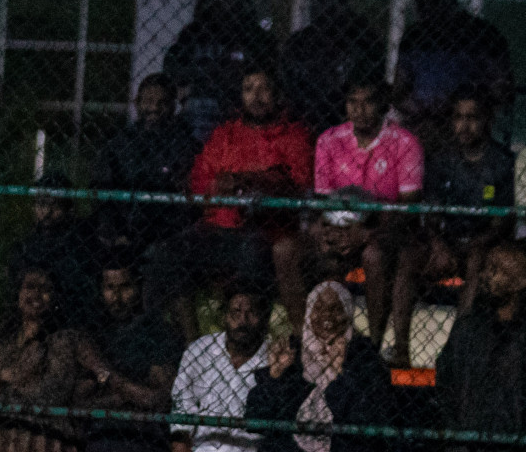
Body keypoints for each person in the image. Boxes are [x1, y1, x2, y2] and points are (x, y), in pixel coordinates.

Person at [145, 68, 312, 339]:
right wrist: (217, 186)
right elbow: (200, 180)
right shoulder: (225, 134)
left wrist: (255, 181)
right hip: (217, 226)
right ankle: (189, 343)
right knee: (166, 253)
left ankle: (245, 338)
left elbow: (299, 182)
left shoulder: (293, 135)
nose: (256, 96)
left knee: (252, 251)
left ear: (278, 95)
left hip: (266, 230)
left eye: (263, 88)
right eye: (248, 88)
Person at [313, 78, 424, 361]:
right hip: (339, 225)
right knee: (308, 249)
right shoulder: (329, 140)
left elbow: (407, 207)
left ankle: (373, 346)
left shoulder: (405, 143)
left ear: (383, 106)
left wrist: (365, 234)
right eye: (353, 101)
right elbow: (323, 200)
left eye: (368, 101)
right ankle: (319, 344)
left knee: (374, 256)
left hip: (384, 230)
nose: (360, 109)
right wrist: (334, 231)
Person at [245, 281, 395, 452]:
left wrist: (340, 373)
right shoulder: (292, 351)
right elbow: (255, 420)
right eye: (319, 308)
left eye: (336, 309)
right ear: (308, 313)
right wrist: (275, 375)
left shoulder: (365, 357)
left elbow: (368, 423)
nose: (327, 315)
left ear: (348, 312)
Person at [0, 266, 96, 452]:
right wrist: (5, 376)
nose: (36, 294)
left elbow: (53, 393)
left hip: (44, 441)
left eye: (45, 289)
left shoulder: (65, 341)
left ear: (55, 298)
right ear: (17, 293)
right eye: (30, 287)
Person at [394, 0, 514, 150]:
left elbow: (501, 93)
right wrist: (423, 116)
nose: (421, 8)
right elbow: (399, 92)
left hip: (470, 132)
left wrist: (459, 114)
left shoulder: (484, 36)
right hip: (422, 130)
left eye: (430, 0)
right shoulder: (413, 37)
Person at [436, 241, 526, 452]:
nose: (486, 276)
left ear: (520, 282)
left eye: (497, 270)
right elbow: (446, 379)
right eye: (486, 268)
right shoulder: (469, 328)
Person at [82, 258, 183, 452]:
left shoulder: (157, 333)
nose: (117, 297)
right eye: (110, 288)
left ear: (138, 287)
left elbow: (158, 398)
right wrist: (132, 392)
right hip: (99, 435)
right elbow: (79, 400)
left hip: (145, 438)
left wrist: (108, 381)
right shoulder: (92, 334)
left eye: (125, 287)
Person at [426, 85, 515, 314]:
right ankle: (398, 347)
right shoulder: (442, 160)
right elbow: (432, 214)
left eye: (472, 118)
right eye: (459, 117)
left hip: (482, 244)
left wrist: (473, 244)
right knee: (408, 259)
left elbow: (501, 224)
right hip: (447, 241)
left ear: (486, 120)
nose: (464, 126)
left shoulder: (502, 162)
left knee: (476, 261)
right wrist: (439, 245)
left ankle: (462, 334)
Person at [162, 0, 277, 142]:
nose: (225, 0)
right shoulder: (194, 33)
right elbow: (173, 68)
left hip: (241, 118)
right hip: (197, 119)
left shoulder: (256, 37)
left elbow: (268, 76)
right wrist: (204, 73)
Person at [91, 74, 199, 256]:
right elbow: (102, 191)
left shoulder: (186, 146)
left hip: (165, 234)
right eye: (148, 101)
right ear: (137, 103)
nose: (154, 108)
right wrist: (113, 230)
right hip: (122, 228)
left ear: (173, 106)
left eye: (162, 103)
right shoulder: (119, 144)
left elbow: (186, 205)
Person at [170, 282, 271, 452]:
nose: (243, 321)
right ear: (225, 315)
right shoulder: (200, 350)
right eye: (236, 312)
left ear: (263, 318)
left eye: (252, 313)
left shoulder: (273, 357)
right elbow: (182, 406)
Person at [279, 0, 388, 137]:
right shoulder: (298, 44)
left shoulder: (365, 41)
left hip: (352, 123)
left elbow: (373, 87)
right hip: (306, 122)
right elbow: (289, 88)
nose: (328, 7)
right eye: (322, 0)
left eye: (334, 0)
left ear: (345, 1)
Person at [4, 171, 99, 328]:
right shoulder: (27, 246)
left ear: (68, 208)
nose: (47, 213)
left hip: (72, 320)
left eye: (55, 205)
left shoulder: (81, 241)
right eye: (41, 204)